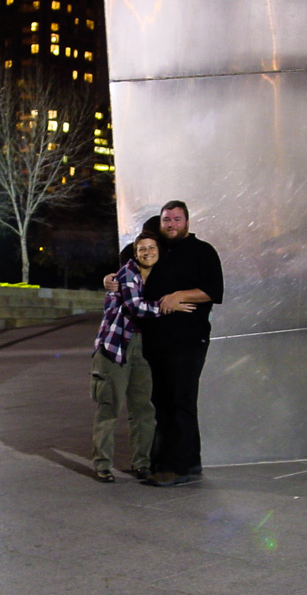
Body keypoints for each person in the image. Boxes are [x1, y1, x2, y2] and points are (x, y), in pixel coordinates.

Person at [107, 201, 223, 487]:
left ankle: (175, 467)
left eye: (177, 219)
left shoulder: (202, 251)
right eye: (166, 219)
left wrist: (178, 296)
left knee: (179, 400)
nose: (171, 224)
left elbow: (213, 291)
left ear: (187, 221)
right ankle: (189, 462)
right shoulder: (154, 249)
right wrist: (110, 279)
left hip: (187, 339)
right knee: (161, 401)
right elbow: (125, 271)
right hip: (154, 340)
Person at [90, 232, 195, 483]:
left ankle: (141, 463)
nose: (147, 252)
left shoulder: (160, 275)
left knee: (143, 409)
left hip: (143, 348)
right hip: (115, 346)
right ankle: (102, 464)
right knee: (110, 407)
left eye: (152, 247)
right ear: (135, 253)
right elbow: (135, 307)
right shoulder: (126, 274)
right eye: (142, 249)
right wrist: (170, 305)